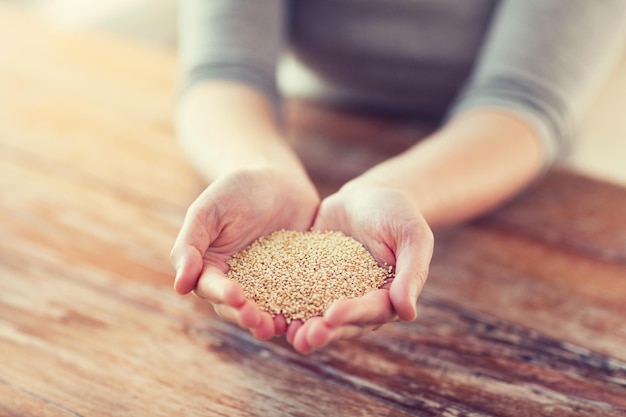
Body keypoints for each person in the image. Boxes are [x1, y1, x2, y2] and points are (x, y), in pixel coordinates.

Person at [169, 0, 626, 354]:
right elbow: (223, 70)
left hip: (498, 162)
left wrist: (393, 191)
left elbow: (524, 101)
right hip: (311, 128)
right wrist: (258, 166)